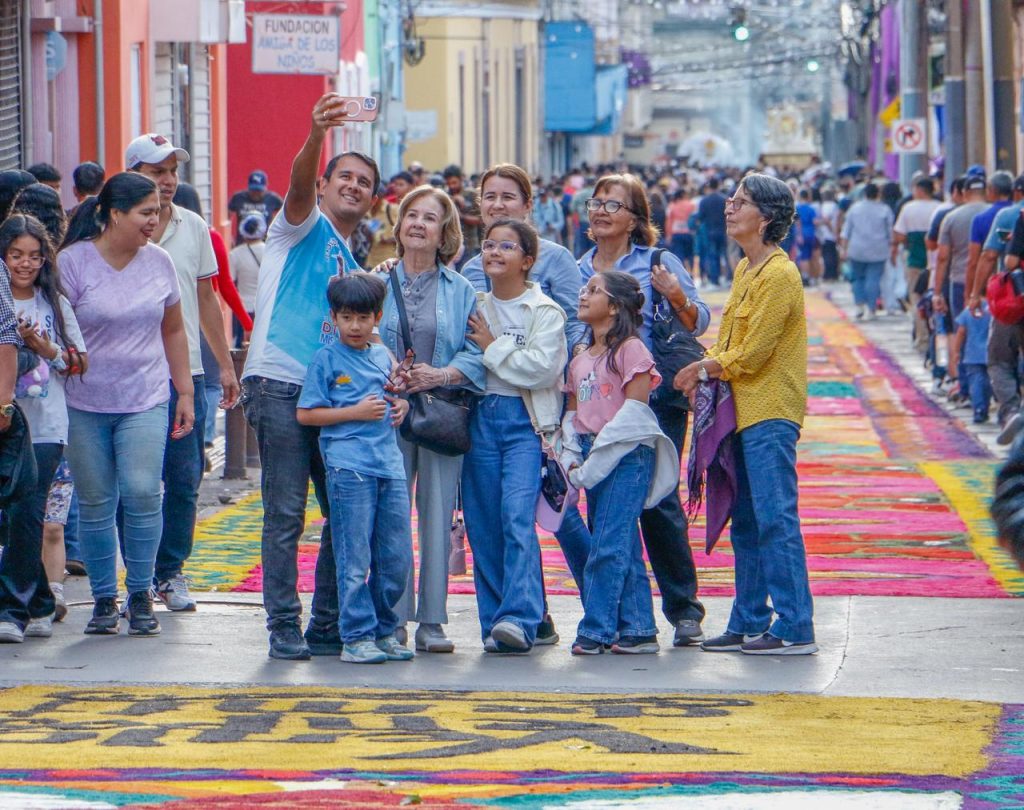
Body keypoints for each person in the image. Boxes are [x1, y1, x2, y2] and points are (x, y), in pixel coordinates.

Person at [241, 93, 379, 660]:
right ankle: (283, 625)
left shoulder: (354, 266)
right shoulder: (297, 227)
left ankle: (326, 624)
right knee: (285, 513)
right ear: (323, 187)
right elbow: (297, 184)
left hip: (333, 399)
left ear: (373, 201)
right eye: (343, 177)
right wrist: (317, 132)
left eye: (364, 183)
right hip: (278, 385)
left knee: (343, 512)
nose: (353, 186)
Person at [675, 172, 817, 656]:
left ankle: (795, 625)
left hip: (770, 411)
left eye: (741, 202)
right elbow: (729, 342)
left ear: (766, 217)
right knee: (748, 520)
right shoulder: (745, 269)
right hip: (741, 410)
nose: (729, 207)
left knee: (776, 518)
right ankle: (750, 619)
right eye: (731, 200)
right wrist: (702, 364)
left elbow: (753, 354)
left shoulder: (780, 274)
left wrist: (703, 368)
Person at [59, 172, 194, 637]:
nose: (154, 221)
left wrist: (185, 391)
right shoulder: (73, 263)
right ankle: (103, 598)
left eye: (157, 212)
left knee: (142, 491)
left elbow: (173, 329)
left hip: (145, 397)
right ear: (114, 214)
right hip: (84, 401)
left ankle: (139, 593)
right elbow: (57, 330)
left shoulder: (159, 262)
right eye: (145, 213)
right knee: (96, 499)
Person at [578, 173, 710, 647]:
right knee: (606, 508)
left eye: (613, 205)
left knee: (658, 502)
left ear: (636, 218)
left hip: (653, 401)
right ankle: (628, 617)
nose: (601, 211)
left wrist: (674, 294)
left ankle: (683, 609)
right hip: (599, 403)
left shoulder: (656, 261)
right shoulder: (579, 267)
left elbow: (698, 319)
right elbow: (574, 329)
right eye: (596, 202)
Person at [126, 134, 239, 612]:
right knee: (132, 482)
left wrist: (225, 365)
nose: (168, 180)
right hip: (129, 375)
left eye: (172, 171)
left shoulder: (193, 227)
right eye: (157, 171)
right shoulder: (113, 228)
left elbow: (207, 300)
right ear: (133, 174)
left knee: (184, 477)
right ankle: (136, 576)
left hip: (185, 374)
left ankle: (170, 572)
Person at [378, 185, 485, 653]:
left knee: (438, 516)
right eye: (412, 215)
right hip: (386, 412)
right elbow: (354, 337)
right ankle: (394, 617)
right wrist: (388, 373)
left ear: (445, 233)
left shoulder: (461, 290)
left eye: (430, 218)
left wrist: (439, 373)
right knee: (391, 515)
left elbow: (479, 352)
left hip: (440, 413)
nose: (418, 224)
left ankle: (432, 621)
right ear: (399, 225)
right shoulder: (378, 282)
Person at [297, 273, 413, 665]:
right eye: (347, 317)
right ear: (333, 318)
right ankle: (356, 636)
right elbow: (306, 414)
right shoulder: (326, 359)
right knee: (354, 558)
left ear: (377, 317)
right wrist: (355, 412)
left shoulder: (382, 355)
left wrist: (402, 406)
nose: (355, 326)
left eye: (363, 318)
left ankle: (384, 630)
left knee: (395, 558)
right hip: (349, 468)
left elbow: (395, 396)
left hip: (389, 466)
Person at [557, 271, 676, 655]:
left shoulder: (631, 350)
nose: (583, 294)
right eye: (584, 288)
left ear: (614, 306)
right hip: (594, 454)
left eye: (594, 290)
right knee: (621, 541)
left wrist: (598, 458)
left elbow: (635, 413)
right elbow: (573, 412)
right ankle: (638, 628)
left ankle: (596, 629)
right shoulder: (579, 360)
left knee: (607, 544)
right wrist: (572, 454)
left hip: (626, 454)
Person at [462, 219, 567, 653]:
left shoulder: (544, 311)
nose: (494, 252)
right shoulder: (472, 305)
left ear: (527, 260)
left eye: (507, 246)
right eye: (489, 245)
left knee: (515, 517)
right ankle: (494, 621)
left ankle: (520, 618)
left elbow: (541, 369)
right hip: (479, 418)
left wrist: (493, 347)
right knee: (483, 522)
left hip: (525, 423)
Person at [0, 215, 86, 643]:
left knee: (27, 512)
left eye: (34, 256)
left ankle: (12, 610)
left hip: (47, 426)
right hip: (5, 422)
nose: (25, 264)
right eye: (16, 255)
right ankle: (41, 602)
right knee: (14, 517)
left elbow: (78, 363)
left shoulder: (54, 304)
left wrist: (42, 346)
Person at [461, 164, 585, 352]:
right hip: (483, 369)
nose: (497, 205)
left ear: (528, 205)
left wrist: (579, 352)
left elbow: (576, 322)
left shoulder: (555, 258)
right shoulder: (472, 269)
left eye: (508, 197)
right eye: (490, 197)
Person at [892, 177, 941, 351]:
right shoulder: (939, 207)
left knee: (917, 298)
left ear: (919, 190)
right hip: (936, 261)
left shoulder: (909, 208)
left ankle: (922, 338)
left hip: (915, 259)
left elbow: (899, 235)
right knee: (937, 297)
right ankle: (937, 336)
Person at [839, 182, 893, 320]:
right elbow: (890, 233)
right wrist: (892, 248)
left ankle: (859, 305)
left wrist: (843, 249)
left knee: (857, 278)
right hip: (878, 249)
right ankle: (871, 308)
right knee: (874, 278)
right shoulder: (884, 210)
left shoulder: (854, 209)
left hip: (857, 249)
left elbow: (846, 231)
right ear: (878, 194)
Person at [228, 213, 266, 345]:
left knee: (242, 346)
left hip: (243, 309)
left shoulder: (234, 254)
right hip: (266, 306)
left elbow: (230, 282)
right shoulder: (271, 252)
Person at [952, 302, 993, 424]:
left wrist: (956, 351)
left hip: (972, 354)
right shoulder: (992, 309)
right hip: (990, 353)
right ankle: (985, 408)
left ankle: (979, 409)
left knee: (976, 383)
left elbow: (961, 332)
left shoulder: (969, 310)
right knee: (987, 383)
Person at [442, 164, 482, 269]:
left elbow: (480, 220)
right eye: (448, 184)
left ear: (461, 179)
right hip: (450, 246)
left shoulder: (472, 195)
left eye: (454, 182)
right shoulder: (444, 196)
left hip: (470, 245)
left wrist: (462, 216)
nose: (452, 186)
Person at [228, 170, 283, 242]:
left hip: (265, 243)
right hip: (243, 243)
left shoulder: (273, 199)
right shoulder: (238, 198)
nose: (256, 193)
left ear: (265, 188)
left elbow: (285, 214)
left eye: (259, 190)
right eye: (253, 190)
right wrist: (229, 237)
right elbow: (227, 216)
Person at [696, 178, 728, 287]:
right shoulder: (724, 199)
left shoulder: (704, 200)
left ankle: (715, 280)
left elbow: (700, 216)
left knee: (712, 256)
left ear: (709, 187)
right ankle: (729, 277)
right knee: (725, 255)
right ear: (718, 185)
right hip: (723, 230)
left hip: (710, 231)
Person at [665, 189, 696, 272]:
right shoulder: (691, 205)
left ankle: (681, 272)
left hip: (676, 233)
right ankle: (691, 271)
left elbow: (669, 221)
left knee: (679, 254)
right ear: (683, 195)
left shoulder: (672, 206)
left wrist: (668, 235)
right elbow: (694, 219)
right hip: (689, 233)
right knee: (690, 254)